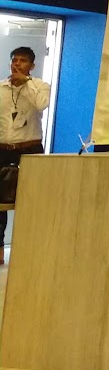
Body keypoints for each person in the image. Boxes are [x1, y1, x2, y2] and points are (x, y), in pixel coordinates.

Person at [1, 46, 51, 258]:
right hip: (3, 149)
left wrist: (27, 82)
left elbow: (41, 105)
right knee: (0, 203)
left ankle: (29, 247)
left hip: (30, 149)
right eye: (14, 60)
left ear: (32, 65)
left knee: (31, 197)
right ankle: (0, 248)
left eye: (22, 61)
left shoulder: (40, 86)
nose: (17, 64)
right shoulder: (2, 88)